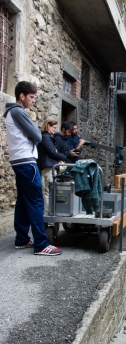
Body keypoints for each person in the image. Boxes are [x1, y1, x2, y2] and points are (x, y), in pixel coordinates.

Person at [3, 81, 62, 255]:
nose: (33, 101)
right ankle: (41, 244)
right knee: (37, 201)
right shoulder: (18, 111)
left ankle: (21, 239)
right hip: (27, 162)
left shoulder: (12, 112)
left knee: (22, 201)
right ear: (22, 96)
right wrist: (33, 132)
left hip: (18, 161)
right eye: (31, 97)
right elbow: (38, 135)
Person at [38, 119, 67, 214]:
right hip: (48, 166)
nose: (55, 129)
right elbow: (52, 152)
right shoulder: (46, 137)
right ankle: (48, 214)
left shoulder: (47, 137)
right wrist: (64, 157)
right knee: (48, 191)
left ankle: (48, 213)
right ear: (48, 126)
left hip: (48, 165)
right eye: (54, 127)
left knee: (49, 191)